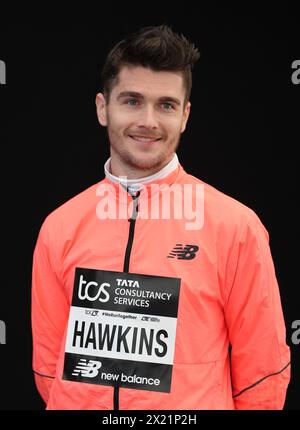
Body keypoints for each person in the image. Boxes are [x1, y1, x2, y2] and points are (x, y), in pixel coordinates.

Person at [31, 25, 290, 410]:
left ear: (184, 116)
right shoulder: (60, 226)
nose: (148, 121)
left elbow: (262, 373)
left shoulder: (235, 226)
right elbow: (50, 368)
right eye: (132, 101)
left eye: (165, 104)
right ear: (103, 108)